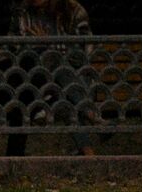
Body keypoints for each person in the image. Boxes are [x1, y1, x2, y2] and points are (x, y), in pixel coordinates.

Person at [5, 0, 98, 156]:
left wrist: (49, 43)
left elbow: (83, 55)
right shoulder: (22, 14)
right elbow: (13, 48)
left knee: (62, 91)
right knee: (50, 77)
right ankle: (91, 116)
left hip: (75, 77)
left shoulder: (73, 11)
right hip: (36, 80)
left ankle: (87, 149)